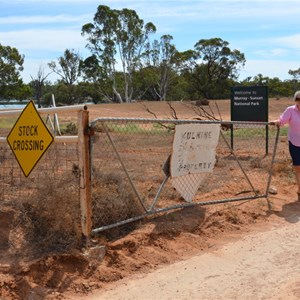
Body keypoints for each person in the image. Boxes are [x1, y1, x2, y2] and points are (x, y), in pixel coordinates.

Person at [273, 90, 300, 200]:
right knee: (298, 167)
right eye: (298, 100)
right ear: (295, 100)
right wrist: (277, 122)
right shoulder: (290, 110)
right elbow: (282, 120)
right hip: (294, 143)